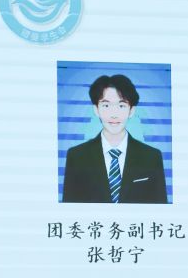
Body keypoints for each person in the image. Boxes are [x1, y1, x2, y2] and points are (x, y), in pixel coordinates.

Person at [62, 74, 168, 204]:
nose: (114, 115)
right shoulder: (76, 156)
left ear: (131, 110)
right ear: (96, 109)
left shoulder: (152, 157)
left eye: (121, 105)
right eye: (106, 106)